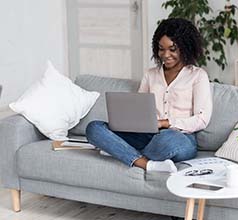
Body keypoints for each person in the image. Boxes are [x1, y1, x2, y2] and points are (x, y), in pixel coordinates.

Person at [86, 18, 212, 173]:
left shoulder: (198, 76)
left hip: (180, 138)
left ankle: (119, 151)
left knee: (168, 139)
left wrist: (165, 123)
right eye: (161, 49)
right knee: (94, 128)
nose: (166, 55)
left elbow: (201, 119)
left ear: (186, 47)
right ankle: (147, 164)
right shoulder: (150, 75)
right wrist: (130, 120)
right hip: (146, 135)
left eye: (173, 49)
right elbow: (140, 110)